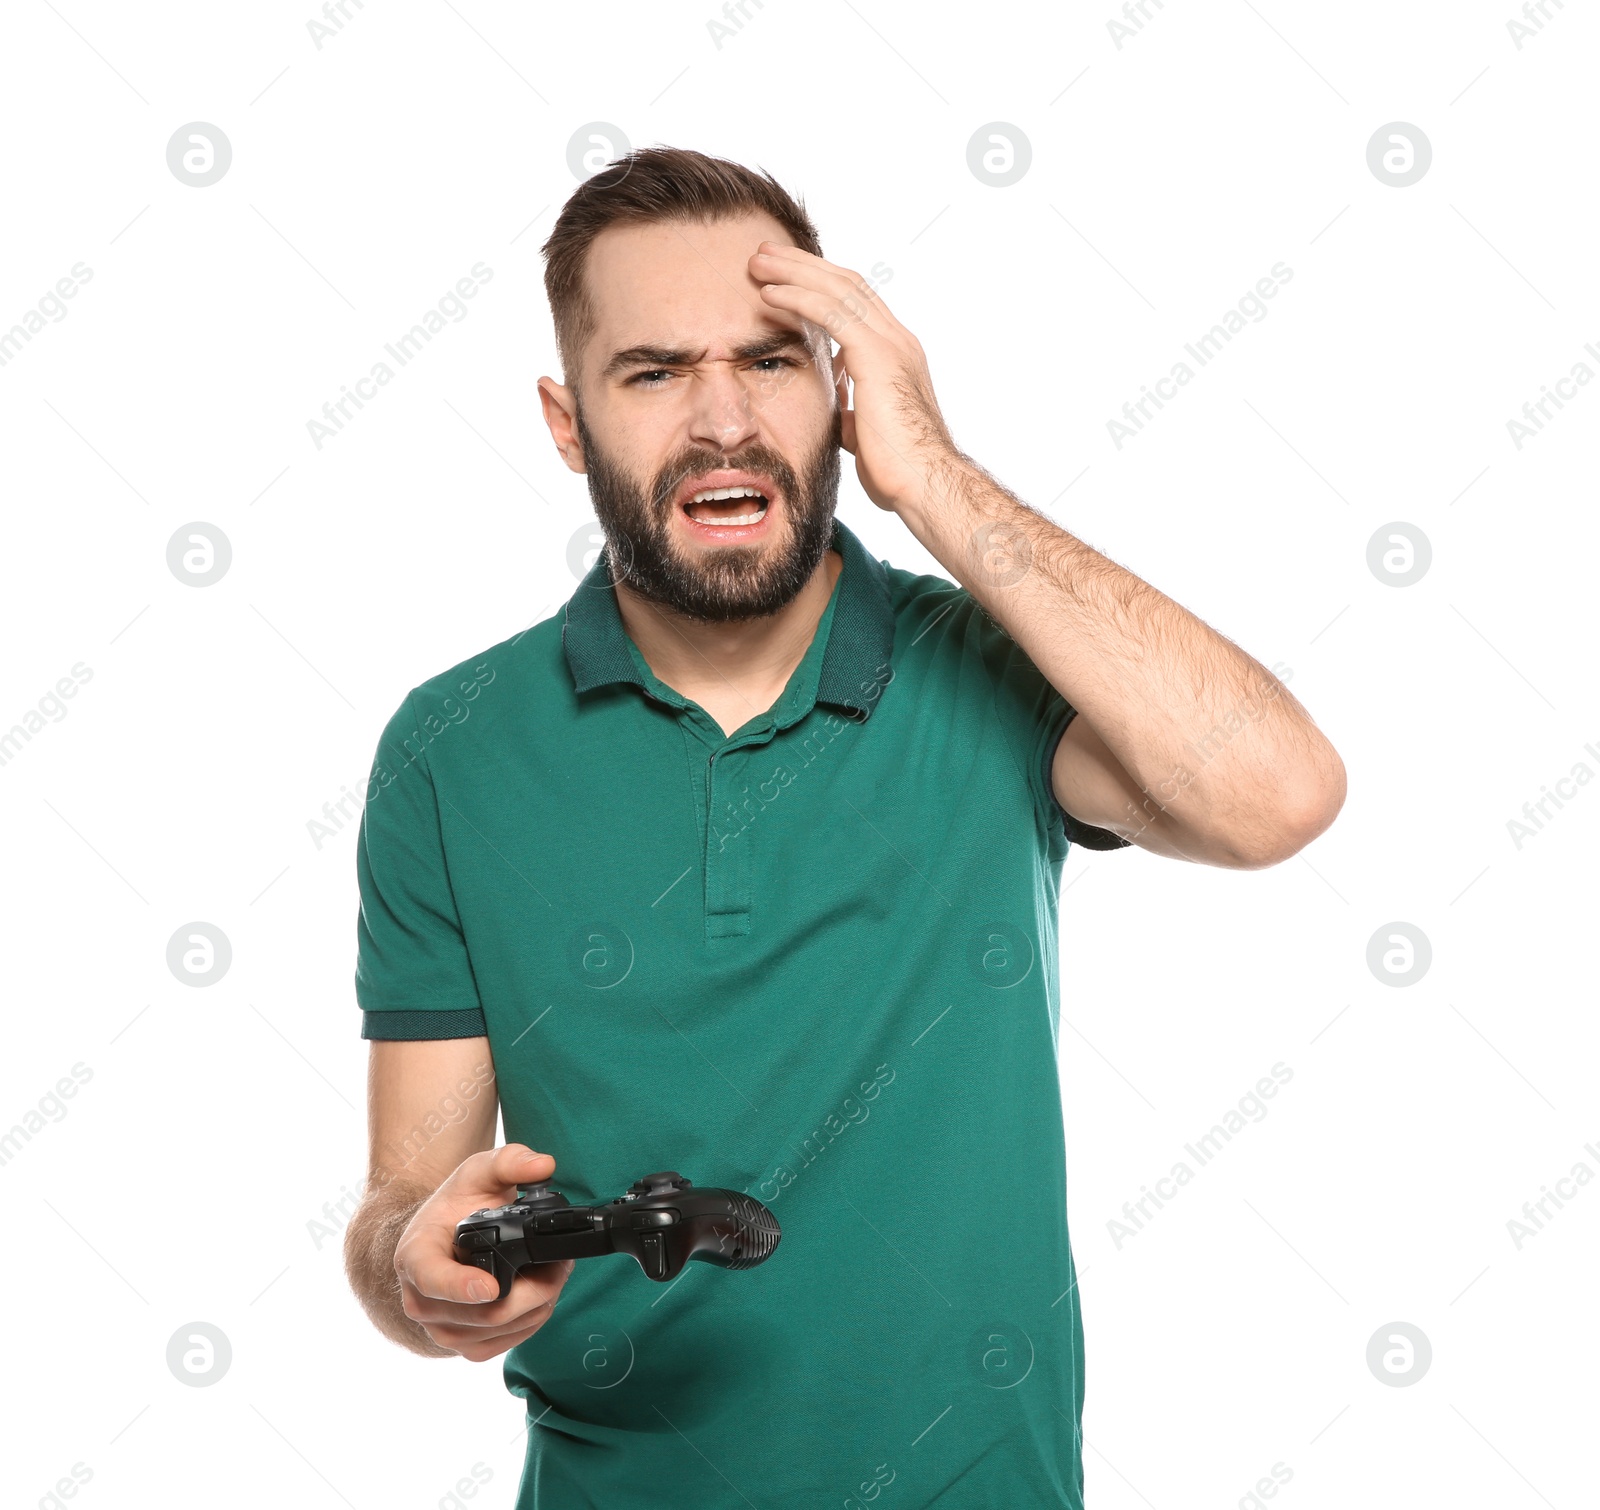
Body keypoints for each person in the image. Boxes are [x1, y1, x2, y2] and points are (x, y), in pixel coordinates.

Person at [343, 146, 1346, 1508]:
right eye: (652, 372)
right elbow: (401, 1203)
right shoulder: (450, 748)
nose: (721, 422)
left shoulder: (991, 669)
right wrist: (416, 1267)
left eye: (769, 361)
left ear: (840, 392)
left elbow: (1278, 792)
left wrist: (934, 475)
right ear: (568, 421)